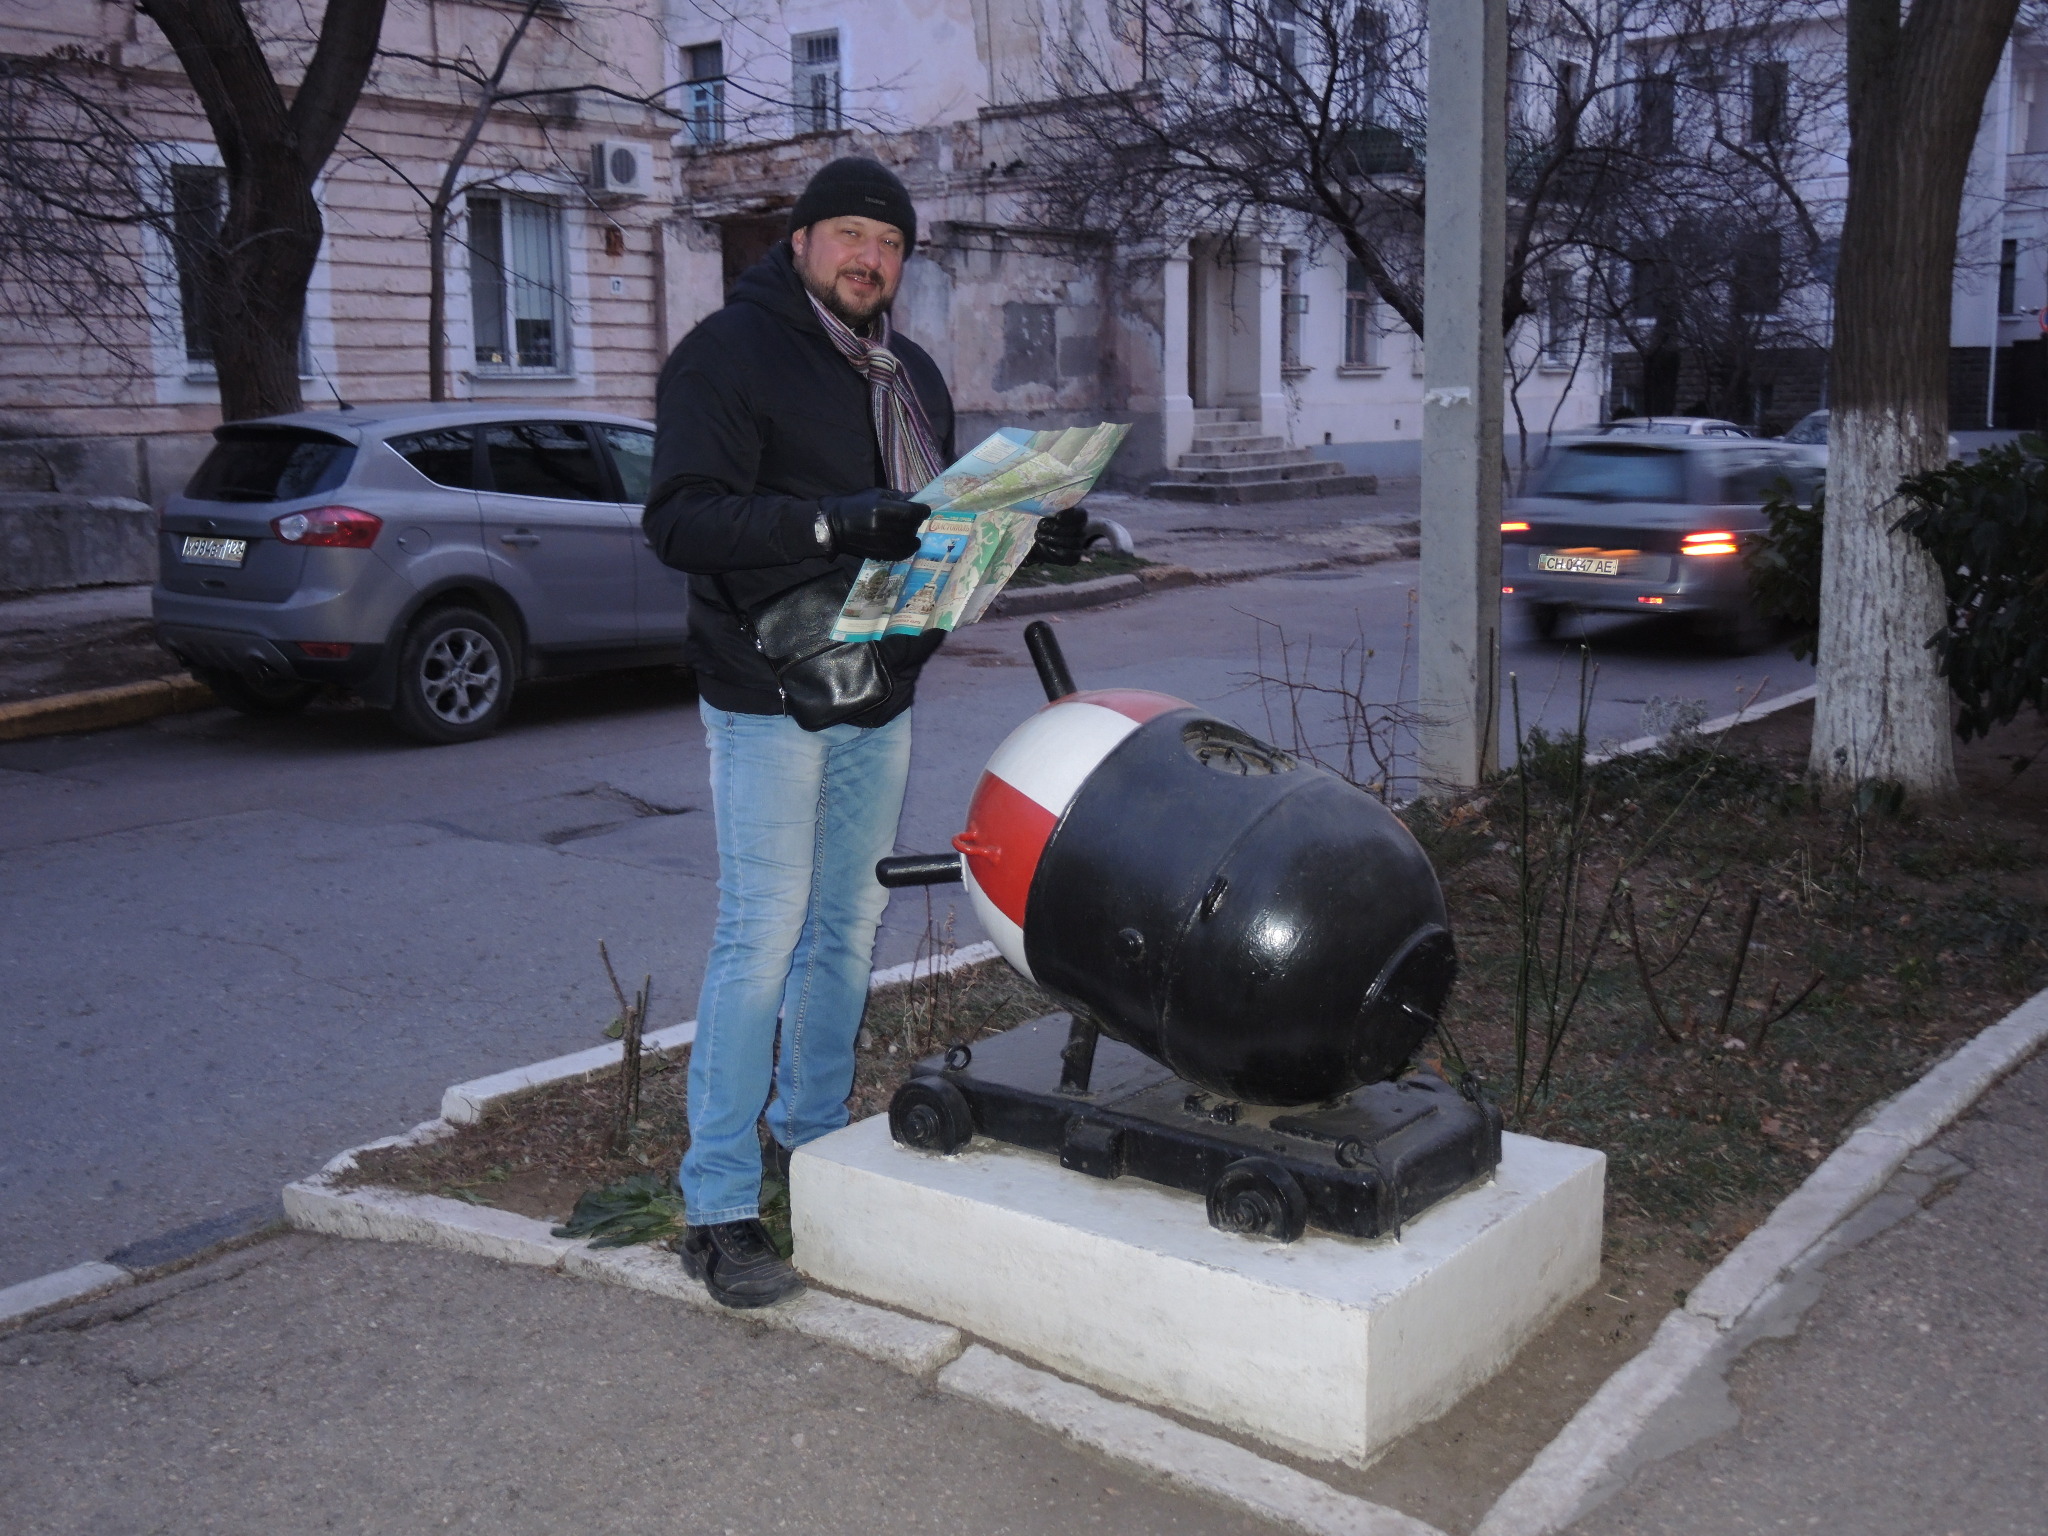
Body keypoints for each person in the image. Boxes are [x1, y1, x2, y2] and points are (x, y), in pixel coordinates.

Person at [644, 157, 1085, 1308]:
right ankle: (718, 1206)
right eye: (847, 234)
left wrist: (1037, 539)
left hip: (879, 686)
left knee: (846, 927)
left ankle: (809, 1138)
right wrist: (832, 521)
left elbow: (942, 537)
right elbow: (681, 521)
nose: (868, 258)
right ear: (798, 242)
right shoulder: (726, 355)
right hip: (767, 690)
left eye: (888, 243)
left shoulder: (909, 374)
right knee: (762, 935)